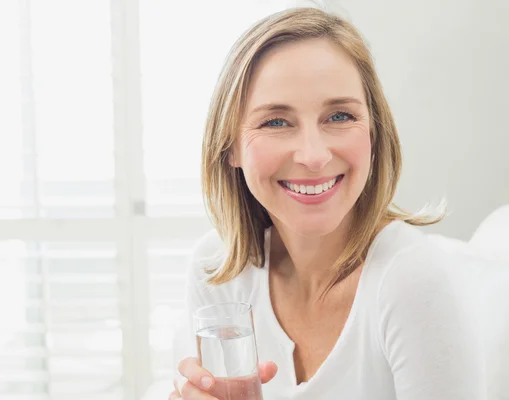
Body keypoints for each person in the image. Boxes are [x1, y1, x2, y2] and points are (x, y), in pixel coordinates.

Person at [170, 7, 485, 400]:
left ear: (374, 131)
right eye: (276, 122)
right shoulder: (216, 269)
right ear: (230, 145)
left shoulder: (411, 280)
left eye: (339, 115)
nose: (314, 155)